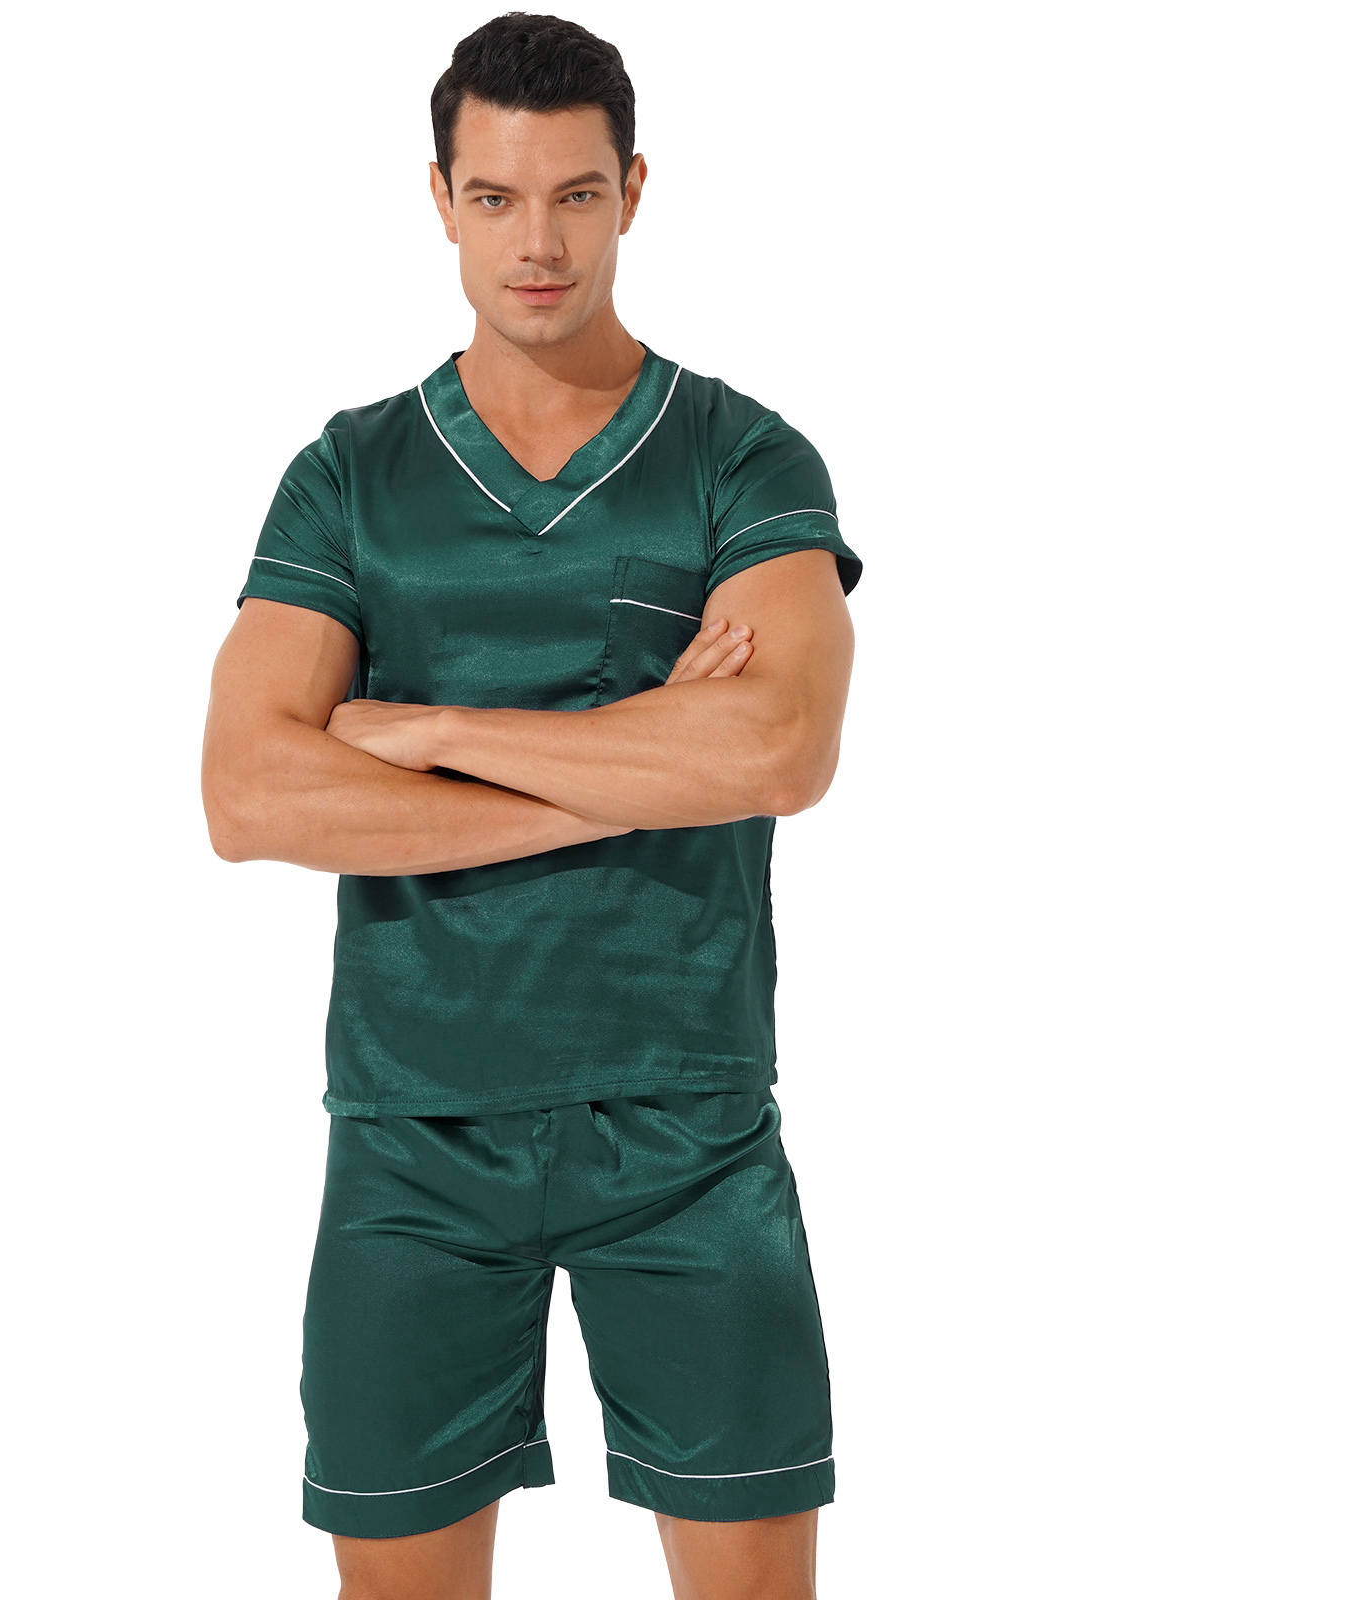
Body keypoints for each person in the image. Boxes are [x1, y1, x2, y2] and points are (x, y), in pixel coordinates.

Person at [200, 12, 861, 1598]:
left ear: (634, 189)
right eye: (496, 198)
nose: (539, 243)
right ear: (440, 197)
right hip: (412, 1138)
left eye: (574, 194)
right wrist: (640, 764)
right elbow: (247, 789)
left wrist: (433, 731)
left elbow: (780, 750)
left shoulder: (744, 460)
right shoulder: (350, 475)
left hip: (690, 1130)